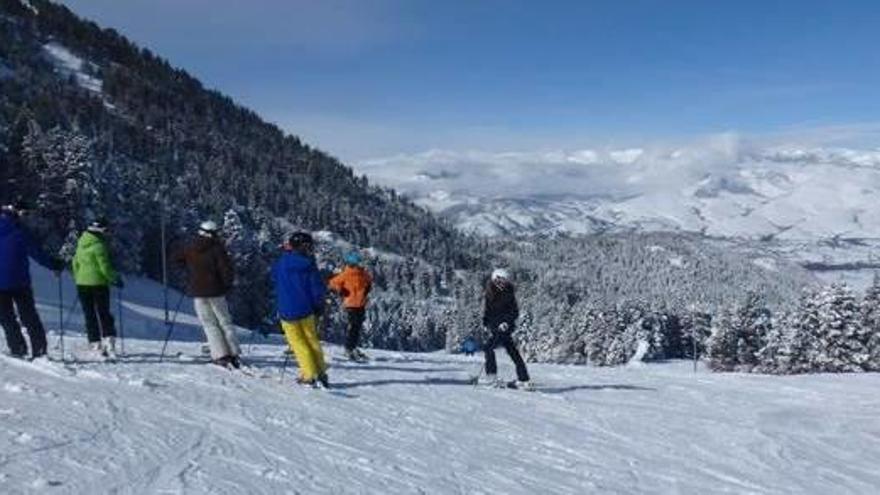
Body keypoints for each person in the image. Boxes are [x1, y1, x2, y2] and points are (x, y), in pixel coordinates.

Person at [173, 220, 240, 369]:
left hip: (198, 292)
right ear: (213, 233)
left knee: (209, 324)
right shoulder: (217, 249)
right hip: (216, 291)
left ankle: (220, 355)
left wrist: (190, 271)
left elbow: (176, 259)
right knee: (224, 321)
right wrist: (228, 285)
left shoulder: (191, 247)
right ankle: (233, 352)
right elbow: (226, 271)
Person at [0, 200, 62, 359]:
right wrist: (53, 264)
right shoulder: (20, 231)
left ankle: (18, 348)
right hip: (20, 282)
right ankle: (39, 350)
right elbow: (37, 253)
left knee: (7, 319)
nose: (27, 217)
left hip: (10, 283)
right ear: (16, 211)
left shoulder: (17, 228)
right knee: (29, 316)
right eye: (25, 214)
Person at [272, 232, 329, 387]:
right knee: (312, 340)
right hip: (306, 309)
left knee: (297, 342)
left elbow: (273, 277)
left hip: (287, 309)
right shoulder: (309, 265)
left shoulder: (282, 262)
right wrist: (318, 306)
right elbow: (317, 289)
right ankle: (321, 372)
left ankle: (309, 374)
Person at [72, 218, 122, 360]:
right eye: (105, 230)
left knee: (89, 314)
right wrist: (115, 279)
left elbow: (75, 262)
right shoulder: (99, 245)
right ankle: (109, 341)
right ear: (99, 230)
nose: (107, 233)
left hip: (82, 284)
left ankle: (95, 343)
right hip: (99, 284)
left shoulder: (81, 243)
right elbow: (104, 268)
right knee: (104, 312)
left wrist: (79, 278)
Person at [482, 268, 532, 390]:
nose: (503, 282)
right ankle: (523, 378)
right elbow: (488, 311)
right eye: (500, 280)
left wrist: (506, 323)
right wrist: (485, 323)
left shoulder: (508, 293)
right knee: (512, 351)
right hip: (495, 327)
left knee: (489, 348)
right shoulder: (490, 293)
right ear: (495, 279)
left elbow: (514, 312)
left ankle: (491, 376)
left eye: (504, 280)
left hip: (504, 328)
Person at [328, 251, 372, 361]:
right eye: (358, 262)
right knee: (353, 327)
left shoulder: (363, 273)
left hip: (361, 303)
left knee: (357, 327)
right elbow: (333, 283)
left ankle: (353, 347)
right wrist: (341, 290)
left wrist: (367, 289)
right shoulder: (346, 274)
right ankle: (349, 348)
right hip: (350, 304)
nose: (360, 264)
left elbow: (369, 281)